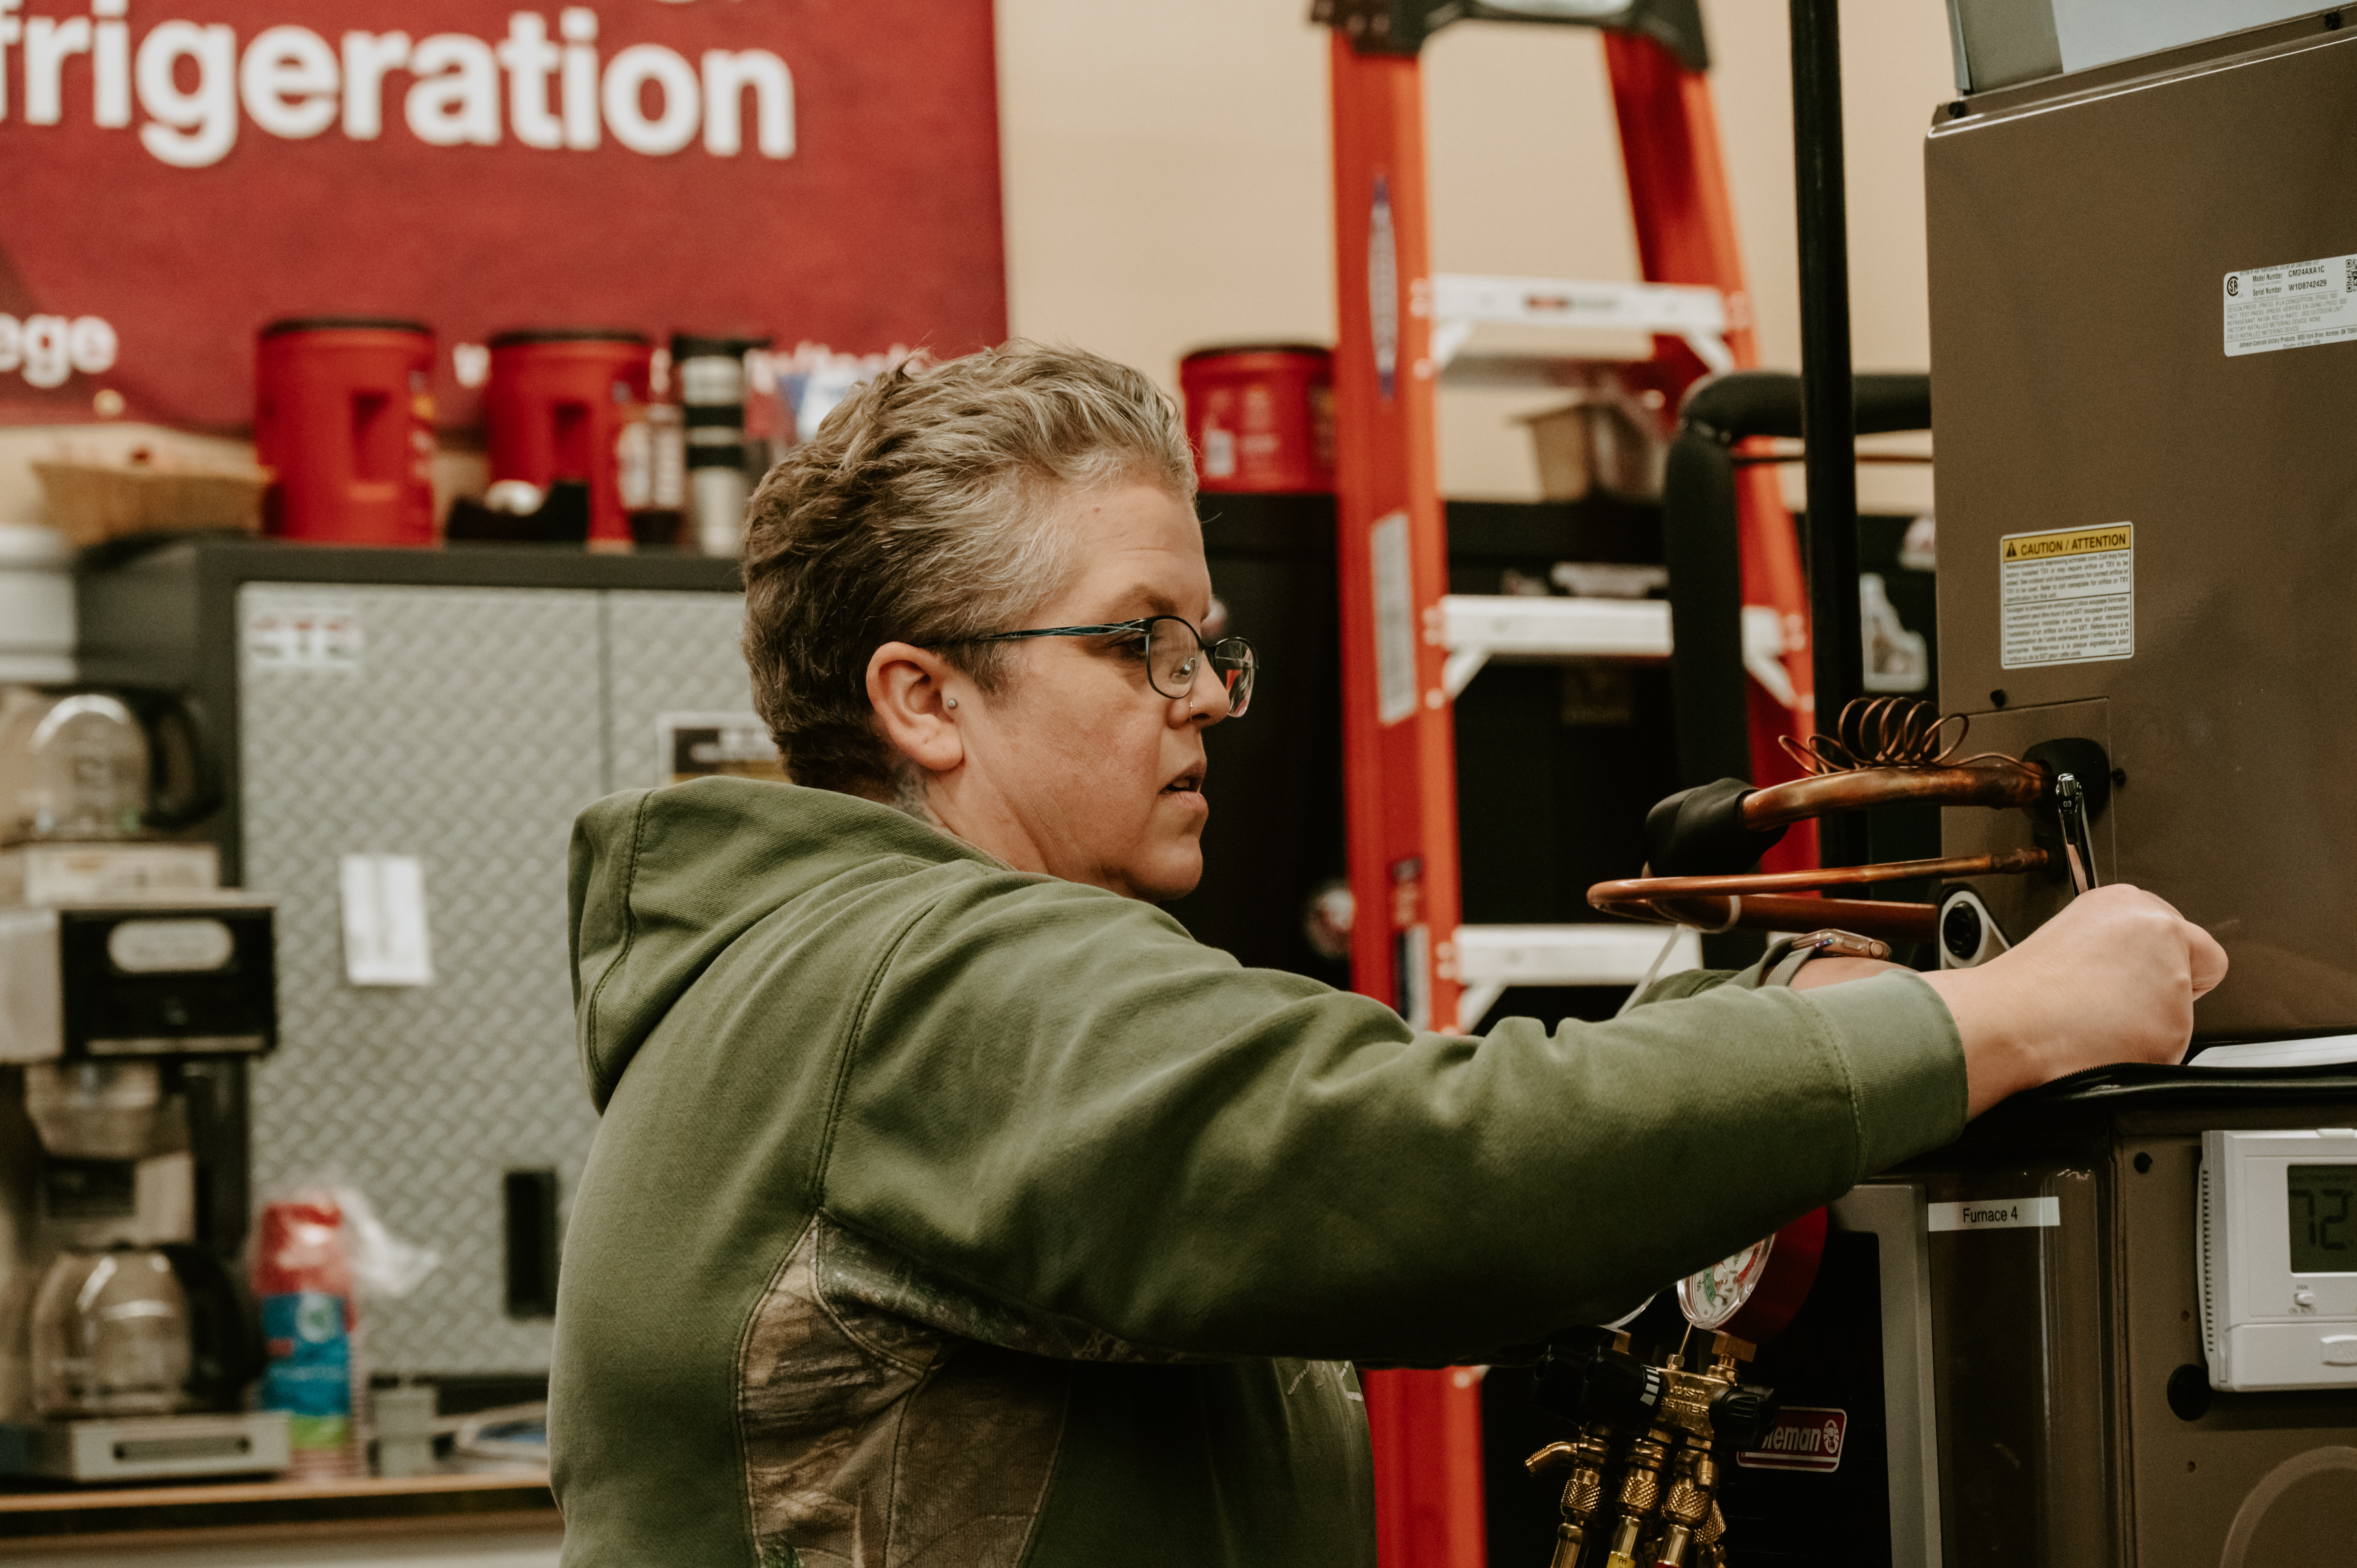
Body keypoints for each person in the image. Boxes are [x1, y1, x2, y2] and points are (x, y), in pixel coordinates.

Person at [547, 343, 2224, 1567]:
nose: (1205, 693)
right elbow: (1431, 1163)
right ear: (925, 699)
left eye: (1210, 645)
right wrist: (1996, 1016)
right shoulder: (916, 980)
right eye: (1144, 642)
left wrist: (1772, 1009)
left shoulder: (808, 969)